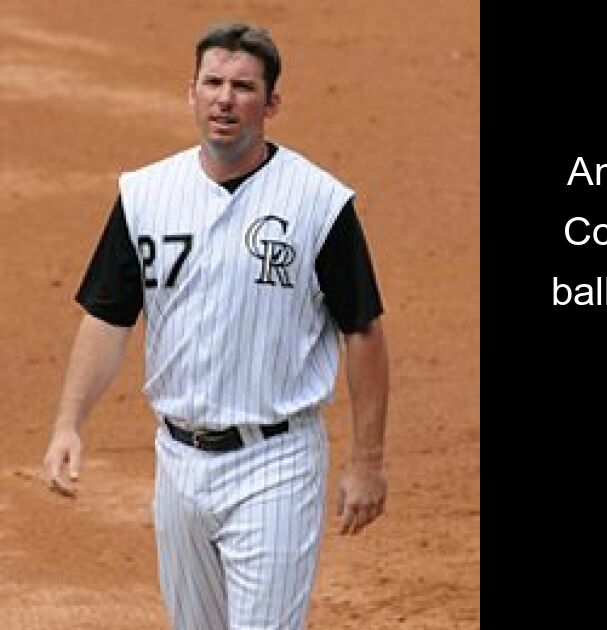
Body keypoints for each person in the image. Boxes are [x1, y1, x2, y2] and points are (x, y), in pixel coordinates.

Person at [41, 22, 390, 629]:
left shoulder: (318, 202)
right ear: (193, 94)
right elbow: (107, 315)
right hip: (177, 461)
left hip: (276, 462)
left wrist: (368, 461)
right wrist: (69, 422)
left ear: (271, 103)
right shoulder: (145, 195)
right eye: (213, 83)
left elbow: (363, 330)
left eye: (244, 87)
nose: (225, 99)